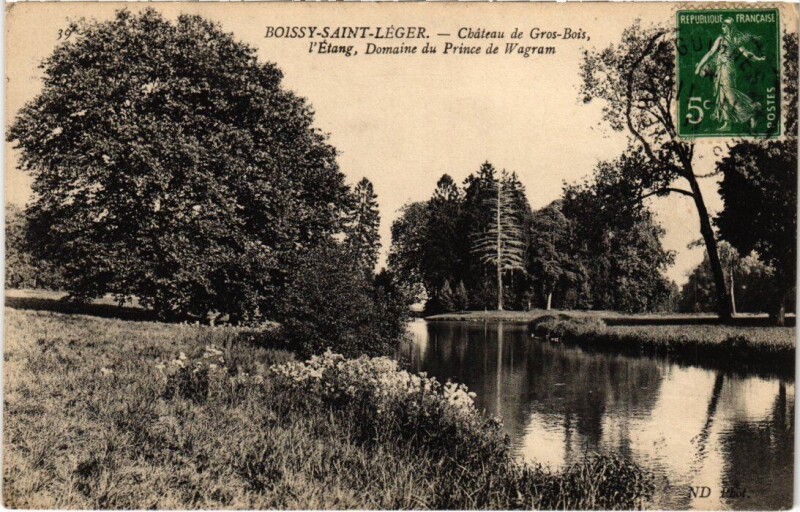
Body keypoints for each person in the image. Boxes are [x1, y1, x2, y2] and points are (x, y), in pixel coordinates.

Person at [694, 18, 766, 131]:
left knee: (730, 96)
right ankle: (727, 123)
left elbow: (746, 54)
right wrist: (699, 66)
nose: (722, 28)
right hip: (719, 69)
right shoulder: (720, 39)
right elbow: (710, 53)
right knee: (721, 95)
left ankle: (751, 113)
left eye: (724, 26)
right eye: (722, 26)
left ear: (729, 27)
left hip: (727, 69)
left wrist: (758, 59)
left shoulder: (735, 40)